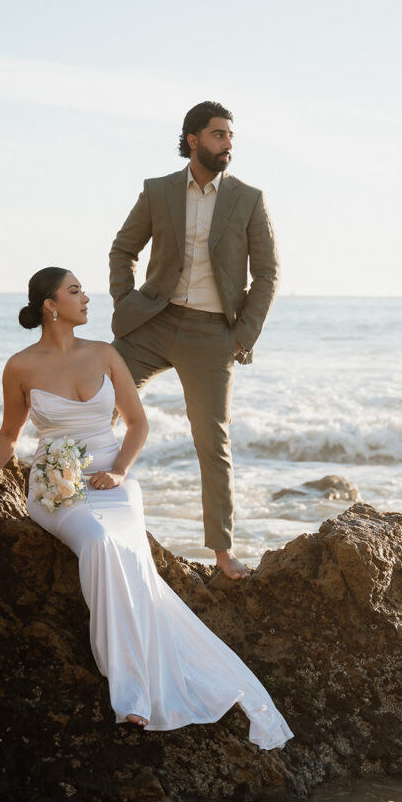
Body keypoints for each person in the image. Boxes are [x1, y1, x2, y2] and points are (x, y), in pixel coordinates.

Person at [0, 267, 292, 748]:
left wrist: (121, 472)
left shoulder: (105, 354)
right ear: (50, 304)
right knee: (100, 541)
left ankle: (137, 681)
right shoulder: (20, 366)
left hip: (116, 481)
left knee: (122, 548)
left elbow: (137, 423)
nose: (86, 298)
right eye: (74, 291)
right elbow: (9, 435)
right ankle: (128, 691)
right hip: (57, 487)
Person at [109, 102, 280, 581]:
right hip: (153, 322)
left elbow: (267, 273)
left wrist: (242, 335)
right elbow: (123, 249)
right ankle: (79, 501)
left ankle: (223, 554)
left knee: (212, 441)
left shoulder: (248, 198)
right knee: (97, 398)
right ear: (193, 140)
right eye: (219, 135)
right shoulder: (158, 190)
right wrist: (126, 303)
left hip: (213, 334)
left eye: (231, 136)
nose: (228, 143)